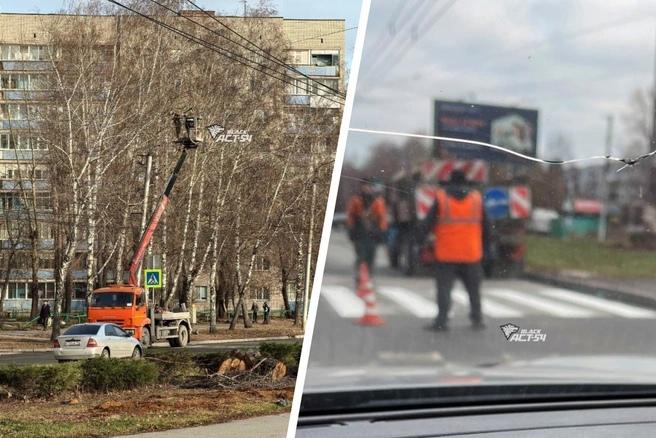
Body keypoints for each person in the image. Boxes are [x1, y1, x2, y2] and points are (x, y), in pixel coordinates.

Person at [422, 170, 490, 331]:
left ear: (450, 182)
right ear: (466, 182)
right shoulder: (476, 199)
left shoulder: (441, 198)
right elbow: (486, 226)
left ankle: (442, 321)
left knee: (444, 289)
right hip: (471, 253)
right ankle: (477, 318)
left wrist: (419, 240)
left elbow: (427, 223)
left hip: (446, 254)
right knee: (474, 289)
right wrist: (487, 247)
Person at [346, 180, 388, 283]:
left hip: (373, 233)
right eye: (365, 186)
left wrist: (382, 231)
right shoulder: (356, 200)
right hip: (359, 232)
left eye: (368, 186)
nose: (367, 188)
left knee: (371, 255)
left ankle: (369, 275)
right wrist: (351, 229)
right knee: (361, 255)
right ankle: (359, 275)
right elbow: (350, 216)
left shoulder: (378, 201)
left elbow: (382, 217)